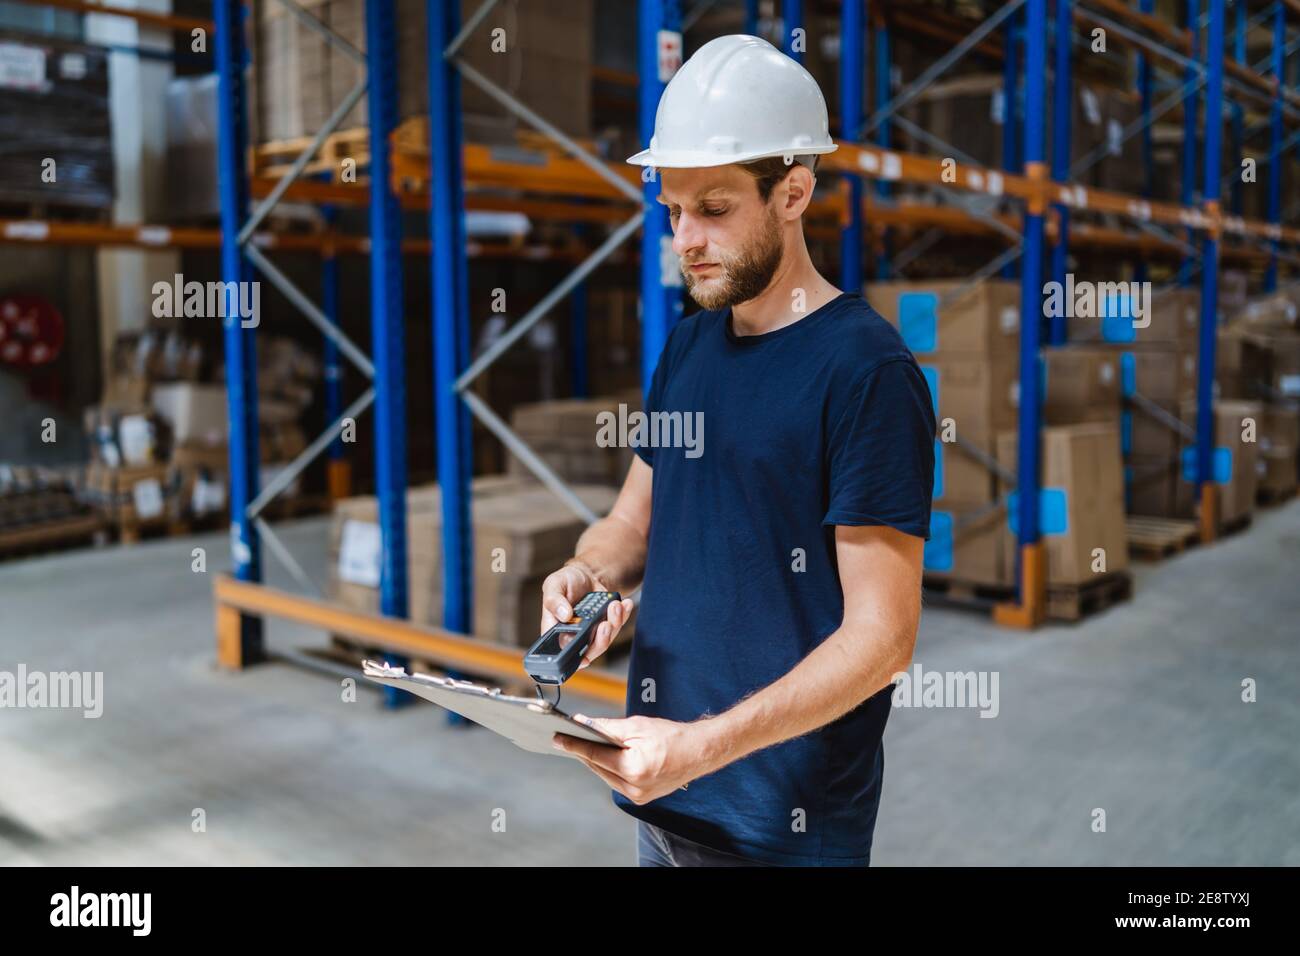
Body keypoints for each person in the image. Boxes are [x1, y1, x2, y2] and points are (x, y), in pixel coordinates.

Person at [543, 34, 936, 866]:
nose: (686, 238)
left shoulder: (867, 373)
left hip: (782, 828)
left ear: (793, 193)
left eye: (715, 210)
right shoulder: (689, 347)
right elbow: (629, 525)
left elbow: (882, 638)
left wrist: (704, 747)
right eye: (674, 209)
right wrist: (587, 575)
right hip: (662, 794)